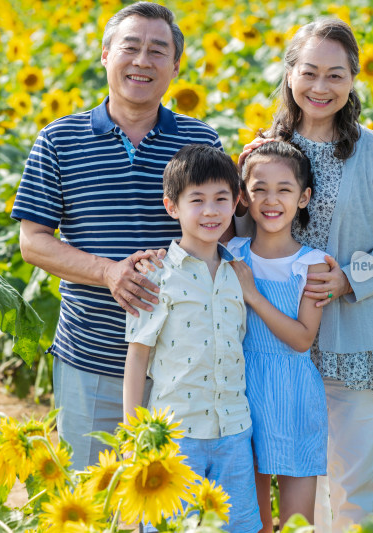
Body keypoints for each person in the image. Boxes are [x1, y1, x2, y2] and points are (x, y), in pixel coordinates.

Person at [11, 2, 222, 471]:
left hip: (183, 364)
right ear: (106, 55)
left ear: (175, 66)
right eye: (130, 47)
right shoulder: (58, 140)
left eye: (157, 50)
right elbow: (33, 241)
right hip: (92, 356)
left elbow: (225, 229)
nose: (142, 61)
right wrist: (108, 272)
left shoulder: (201, 141)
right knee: (91, 499)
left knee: (173, 508)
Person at [238, 18, 373, 531]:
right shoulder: (261, 151)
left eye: (336, 76)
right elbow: (234, 235)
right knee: (299, 492)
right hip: (275, 345)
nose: (321, 88)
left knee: (354, 491)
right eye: (310, 72)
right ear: (289, 75)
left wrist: (348, 280)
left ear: (353, 80)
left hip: (357, 342)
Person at [123, 145, 262, 533]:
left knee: (237, 527)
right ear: (172, 207)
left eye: (221, 199)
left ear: (237, 202)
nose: (210, 211)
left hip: (234, 429)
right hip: (175, 435)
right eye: (196, 200)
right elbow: (137, 359)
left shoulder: (240, 272)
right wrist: (134, 439)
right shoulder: (156, 274)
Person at [227, 141, 329, 530]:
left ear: (303, 197)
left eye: (284, 189)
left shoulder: (313, 263)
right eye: (259, 189)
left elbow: (303, 338)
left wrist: (252, 294)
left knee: (298, 522)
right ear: (244, 197)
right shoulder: (231, 253)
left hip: (295, 393)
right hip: (240, 391)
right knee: (252, 522)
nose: (272, 200)